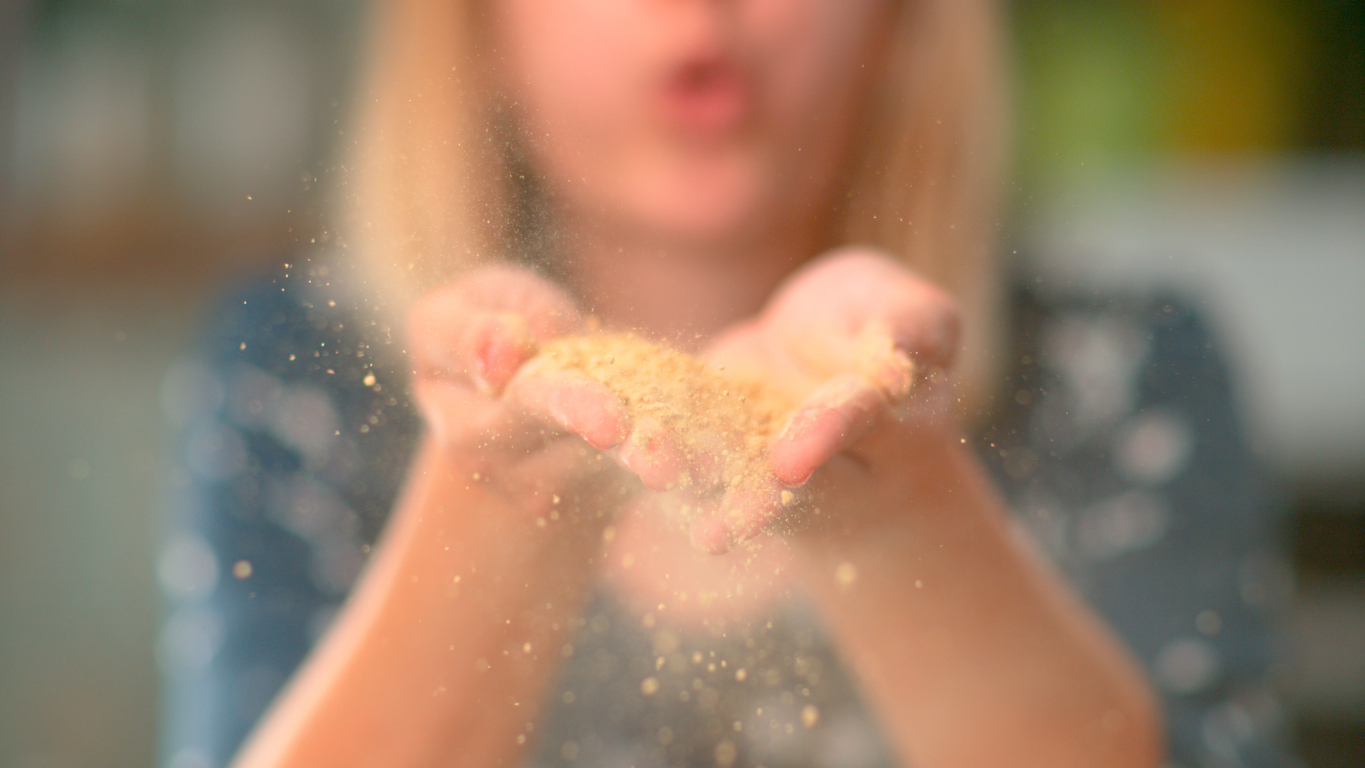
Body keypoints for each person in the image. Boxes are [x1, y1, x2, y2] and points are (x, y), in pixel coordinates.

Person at [157, 1, 1292, 766]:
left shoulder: (1123, 371)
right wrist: (503, 494)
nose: (699, 10)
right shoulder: (300, 369)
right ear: (477, 33)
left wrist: (897, 502)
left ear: (904, 26)